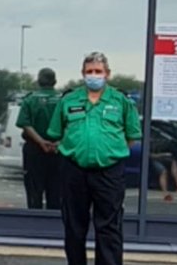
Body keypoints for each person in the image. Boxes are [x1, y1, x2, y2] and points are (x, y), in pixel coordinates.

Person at [46, 52, 142, 265]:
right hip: (74, 171)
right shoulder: (69, 100)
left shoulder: (121, 101)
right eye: (89, 71)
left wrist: (109, 152)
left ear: (107, 74)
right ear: (83, 74)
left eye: (98, 71)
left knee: (109, 227)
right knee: (74, 227)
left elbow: (132, 136)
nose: (94, 75)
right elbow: (55, 133)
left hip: (109, 173)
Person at [17, 67, 62, 210]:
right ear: (55, 81)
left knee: (34, 191)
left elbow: (25, 124)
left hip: (34, 150)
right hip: (58, 150)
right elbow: (71, 125)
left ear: (38, 81)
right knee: (56, 192)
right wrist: (58, 143)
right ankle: (53, 226)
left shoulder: (30, 100)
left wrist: (41, 142)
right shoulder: (63, 100)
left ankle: (33, 224)